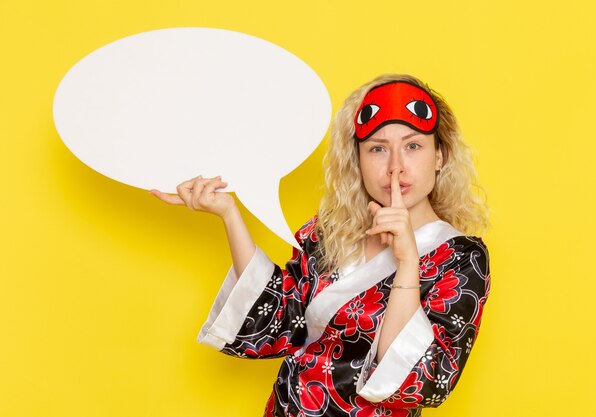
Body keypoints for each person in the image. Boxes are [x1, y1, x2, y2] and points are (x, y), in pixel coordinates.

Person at [150, 73, 491, 417]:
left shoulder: (461, 258)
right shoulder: (329, 231)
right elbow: (280, 321)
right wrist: (229, 214)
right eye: (377, 149)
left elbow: (422, 381)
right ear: (357, 160)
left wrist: (407, 262)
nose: (395, 168)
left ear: (440, 156)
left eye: (413, 146)